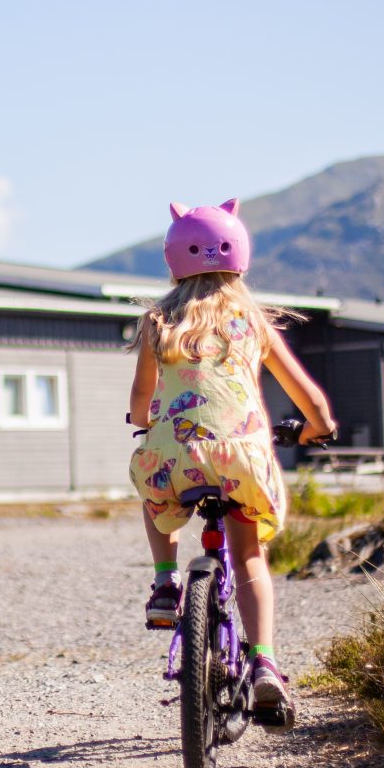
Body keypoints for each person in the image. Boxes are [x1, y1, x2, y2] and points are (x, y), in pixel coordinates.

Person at [128, 198, 336, 721]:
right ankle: (264, 662)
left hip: (175, 454)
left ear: (174, 258)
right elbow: (306, 396)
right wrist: (320, 428)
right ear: (238, 255)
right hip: (240, 457)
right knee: (247, 558)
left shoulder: (159, 321)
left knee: (154, 490)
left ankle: (163, 581)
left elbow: (139, 400)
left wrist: (144, 424)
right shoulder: (252, 321)